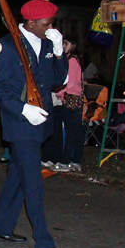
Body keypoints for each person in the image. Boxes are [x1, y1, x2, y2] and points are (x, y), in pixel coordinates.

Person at [0, 0, 69, 248]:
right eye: (46, 24)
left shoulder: (44, 43)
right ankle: (43, 243)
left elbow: (57, 80)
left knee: (19, 177)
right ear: (31, 23)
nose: (50, 27)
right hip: (20, 123)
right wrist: (23, 110)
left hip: (40, 122)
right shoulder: (7, 47)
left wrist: (58, 51)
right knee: (33, 182)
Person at [46, 36, 85, 172]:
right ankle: (71, 160)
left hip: (71, 98)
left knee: (72, 131)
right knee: (72, 130)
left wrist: (59, 92)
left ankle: (67, 161)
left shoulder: (72, 61)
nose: (63, 46)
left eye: (66, 43)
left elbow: (71, 83)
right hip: (68, 97)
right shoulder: (68, 59)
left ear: (72, 45)